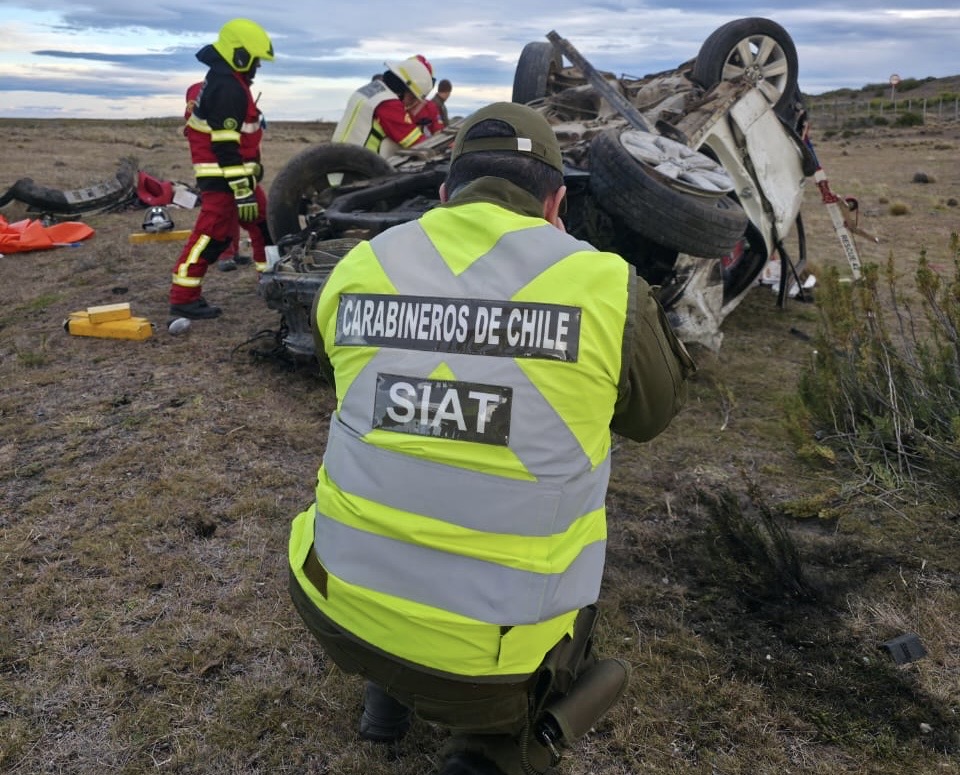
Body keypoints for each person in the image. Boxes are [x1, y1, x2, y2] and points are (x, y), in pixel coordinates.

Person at [287, 101, 696, 775]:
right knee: (552, 623)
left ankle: (384, 697)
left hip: (332, 606)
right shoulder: (603, 285)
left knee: (406, 483)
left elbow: (347, 376)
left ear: (446, 194)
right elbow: (651, 417)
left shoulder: (359, 267)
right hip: (488, 672)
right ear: (555, 203)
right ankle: (491, 752)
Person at [168, 18, 274, 320]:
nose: (257, 68)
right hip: (224, 182)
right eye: (255, 61)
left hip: (236, 179)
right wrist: (243, 193)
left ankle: (271, 282)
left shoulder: (225, 80)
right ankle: (183, 297)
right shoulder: (228, 88)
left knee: (265, 226)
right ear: (240, 56)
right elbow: (226, 147)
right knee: (210, 237)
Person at [183, 81, 253, 273]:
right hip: (214, 163)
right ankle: (223, 255)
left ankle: (233, 251)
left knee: (233, 208)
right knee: (218, 213)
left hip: (227, 159)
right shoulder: (203, 91)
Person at [332, 55, 441, 156]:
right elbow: (416, 143)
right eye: (412, 98)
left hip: (336, 157)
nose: (411, 103)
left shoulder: (371, 90)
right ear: (403, 89)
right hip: (359, 167)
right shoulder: (389, 104)